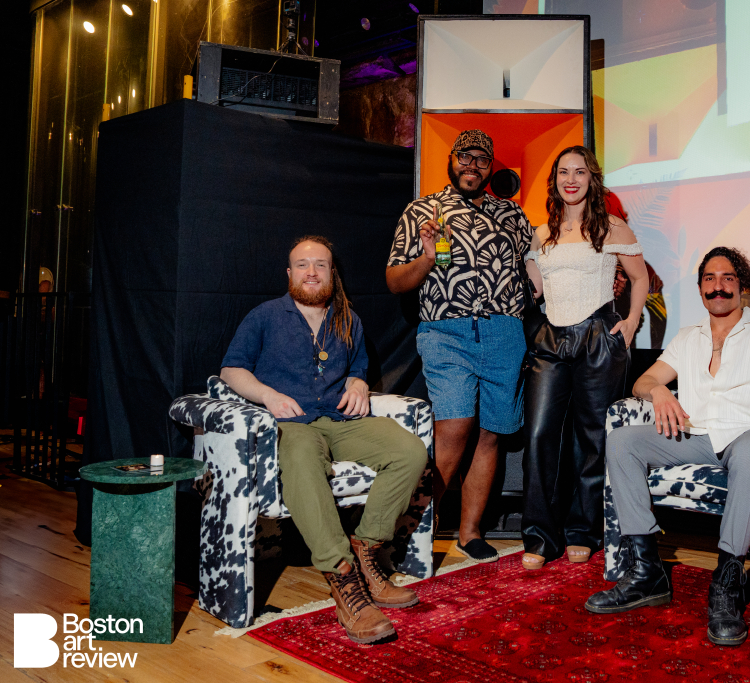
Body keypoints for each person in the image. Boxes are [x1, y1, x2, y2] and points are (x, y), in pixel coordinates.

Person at [586, 246, 750, 648]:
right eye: (709, 279)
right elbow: (642, 383)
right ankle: (647, 569)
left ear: (743, 286)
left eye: (727, 279)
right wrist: (661, 394)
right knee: (622, 440)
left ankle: (727, 580)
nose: (717, 287)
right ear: (701, 288)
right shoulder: (688, 338)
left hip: (748, 433)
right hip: (696, 434)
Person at [221, 235, 429, 645]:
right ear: (289, 273)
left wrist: (358, 383)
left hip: (339, 420)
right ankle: (343, 576)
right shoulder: (265, 316)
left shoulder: (347, 318)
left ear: (332, 273)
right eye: (302, 264)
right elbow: (231, 370)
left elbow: (357, 368)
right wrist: (268, 395)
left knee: (409, 449)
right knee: (300, 457)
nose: (312, 272)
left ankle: (367, 549)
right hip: (292, 422)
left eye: (320, 265)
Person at [386, 130, 533, 563]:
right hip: (447, 332)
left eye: (482, 161)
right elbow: (395, 281)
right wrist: (429, 256)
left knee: (490, 435)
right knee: (454, 430)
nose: (472, 166)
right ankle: (408, 533)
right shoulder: (423, 211)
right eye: (465, 158)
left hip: (505, 332)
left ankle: (469, 533)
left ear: (490, 168)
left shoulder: (511, 214)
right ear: (451, 160)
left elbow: (542, 260)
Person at [520, 146, 648, 570]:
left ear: (591, 178)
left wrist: (630, 322)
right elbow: (535, 289)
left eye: (579, 172)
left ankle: (582, 530)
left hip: (597, 336)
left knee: (592, 437)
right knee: (539, 433)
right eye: (563, 172)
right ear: (554, 179)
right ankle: (540, 535)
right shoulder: (542, 233)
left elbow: (639, 277)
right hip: (550, 339)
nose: (570, 179)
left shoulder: (612, 226)